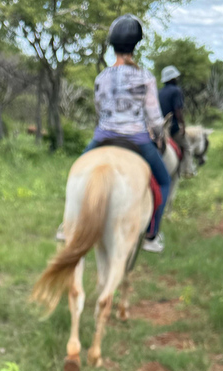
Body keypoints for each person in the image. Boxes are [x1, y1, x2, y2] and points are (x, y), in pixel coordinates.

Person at [56, 14, 170, 253]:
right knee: (163, 180)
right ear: (135, 45)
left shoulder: (102, 77)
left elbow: (100, 110)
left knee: (75, 173)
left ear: (113, 45)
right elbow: (155, 119)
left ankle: (67, 224)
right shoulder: (146, 77)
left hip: (104, 136)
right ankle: (152, 235)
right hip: (136, 138)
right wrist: (159, 134)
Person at [159, 65, 194, 176]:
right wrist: (182, 126)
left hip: (159, 128)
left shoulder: (159, 92)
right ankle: (187, 171)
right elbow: (178, 110)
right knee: (187, 146)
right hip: (172, 127)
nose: (177, 79)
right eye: (175, 77)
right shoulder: (176, 91)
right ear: (172, 79)